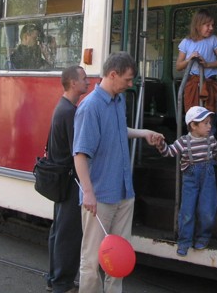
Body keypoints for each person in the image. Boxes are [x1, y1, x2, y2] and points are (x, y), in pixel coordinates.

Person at [73, 52, 164, 293]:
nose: (130, 84)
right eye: (128, 79)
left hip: (124, 192)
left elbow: (118, 130)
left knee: (118, 258)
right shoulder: (90, 107)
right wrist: (88, 193)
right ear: (113, 75)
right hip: (100, 195)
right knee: (92, 259)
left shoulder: (118, 99)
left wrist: (143, 133)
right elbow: (79, 154)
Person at [156, 105, 217, 257]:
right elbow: (169, 152)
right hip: (190, 178)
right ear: (193, 125)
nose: (210, 126)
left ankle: (203, 237)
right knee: (187, 211)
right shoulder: (183, 142)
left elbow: (216, 155)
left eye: (210, 123)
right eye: (206, 123)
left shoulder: (211, 140)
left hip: (208, 177)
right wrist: (161, 144)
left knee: (207, 210)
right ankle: (184, 241)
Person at [46, 65, 90, 293]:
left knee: (58, 230)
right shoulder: (70, 112)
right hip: (71, 181)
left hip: (60, 180)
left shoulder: (61, 107)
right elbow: (78, 150)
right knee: (69, 233)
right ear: (73, 83)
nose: (88, 81)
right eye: (84, 79)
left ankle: (54, 279)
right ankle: (62, 284)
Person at [176, 9, 217, 115]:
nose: (211, 28)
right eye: (207, 25)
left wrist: (207, 64)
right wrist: (189, 59)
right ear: (198, 25)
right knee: (193, 113)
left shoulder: (213, 39)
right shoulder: (186, 42)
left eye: (212, 25)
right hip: (193, 82)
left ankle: (209, 126)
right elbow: (178, 66)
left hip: (209, 82)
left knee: (208, 114)